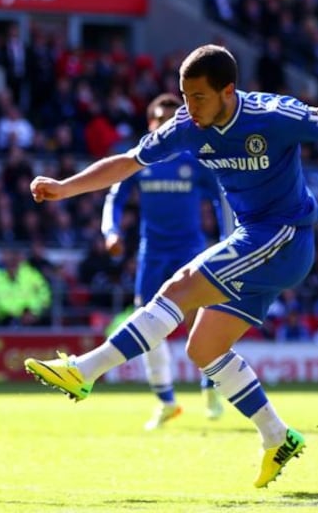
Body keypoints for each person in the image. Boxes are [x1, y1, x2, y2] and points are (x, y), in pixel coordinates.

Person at [24, 44, 318, 488]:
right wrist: (64, 187)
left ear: (228, 91)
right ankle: (277, 436)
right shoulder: (186, 126)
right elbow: (128, 162)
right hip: (256, 240)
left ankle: (85, 371)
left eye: (199, 97)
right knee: (203, 349)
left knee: (179, 287)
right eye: (185, 96)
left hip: (284, 235)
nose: (190, 107)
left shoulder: (275, 115)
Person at [101, 93, 224, 430]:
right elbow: (115, 198)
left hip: (191, 250)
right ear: (150, 123)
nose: (166, 124)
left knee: (201, 320)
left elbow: (221, 196)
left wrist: (228, 236)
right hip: (152, 252)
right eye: (160, 118)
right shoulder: (140, 158)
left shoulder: (195, 158)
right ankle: (167, 401)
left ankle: (210, 385)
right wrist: (111, 232)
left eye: (173, 119)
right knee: (146, 322)